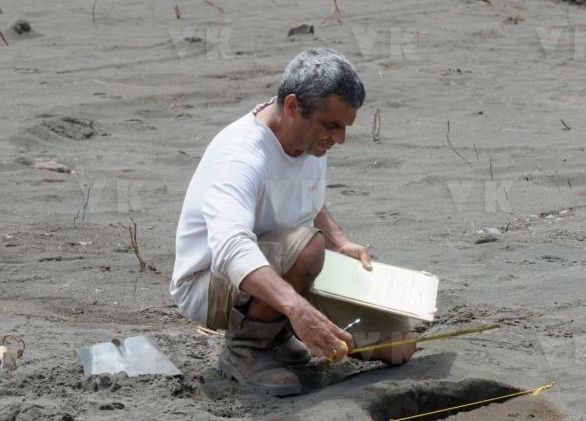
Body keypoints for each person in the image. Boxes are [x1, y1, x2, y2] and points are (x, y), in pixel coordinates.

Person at [170, 48, 416, 396]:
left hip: (286, 263)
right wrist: (297, 308)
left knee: (398, 344)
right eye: (332, 125)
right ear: (291, 107)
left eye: (345, 127)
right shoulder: (240, 157)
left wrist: (341, 241)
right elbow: (230, 248)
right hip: (209, 282)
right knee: (310, 248)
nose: (340, 139)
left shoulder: (307, 140)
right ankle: (249, 349)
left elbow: (309, 199)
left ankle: (277, 335)